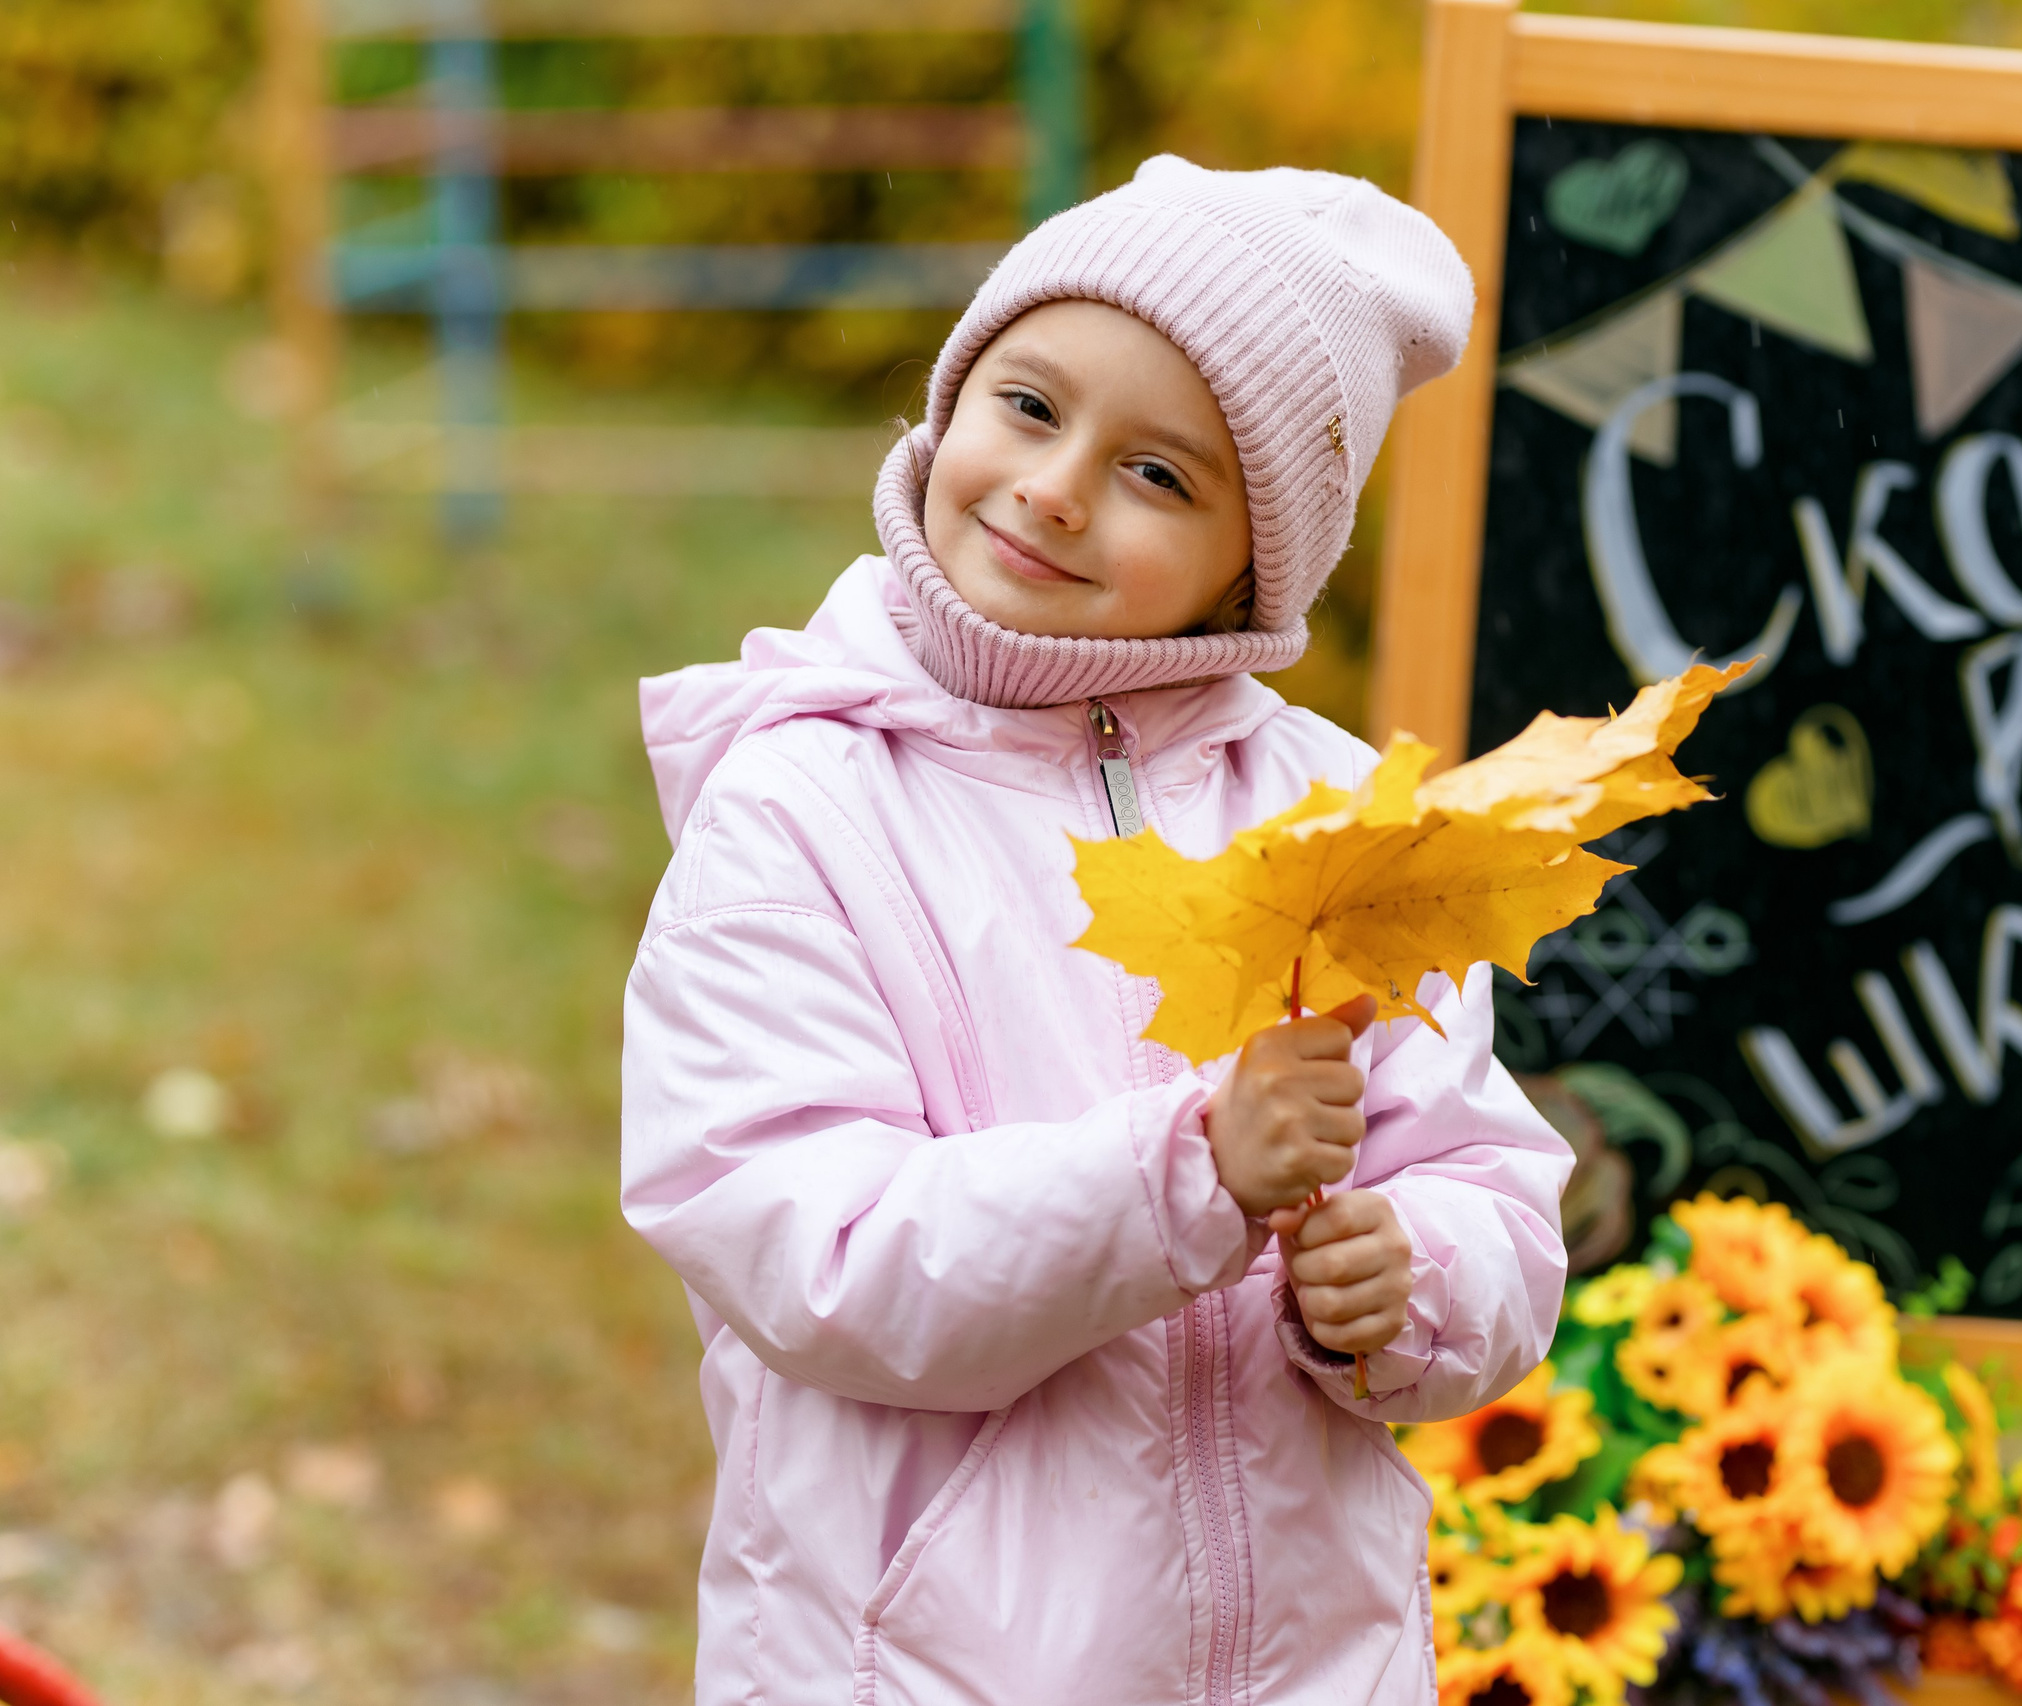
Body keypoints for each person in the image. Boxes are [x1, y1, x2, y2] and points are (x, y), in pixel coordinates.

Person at [622, 156, 1572, 1705]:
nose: (1055, 487)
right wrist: (1190, 1167)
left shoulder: (1334, 826)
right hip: (924, 1665)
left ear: (1253, 567)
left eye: (1161, 475)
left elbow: (1488, 1181)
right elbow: (808, 1247)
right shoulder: (801, 807)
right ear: (953, 395)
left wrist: (1414, 1281)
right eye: (1030, 404)